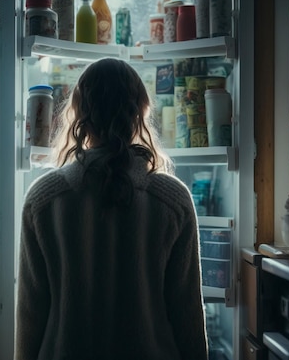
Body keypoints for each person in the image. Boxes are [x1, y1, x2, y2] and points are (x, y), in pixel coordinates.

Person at [15, 58, 208, 360]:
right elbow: (188, 314)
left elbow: (31, 313)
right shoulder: (173, 199)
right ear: (141, 112)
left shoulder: (44, 199)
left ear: (78, 114)